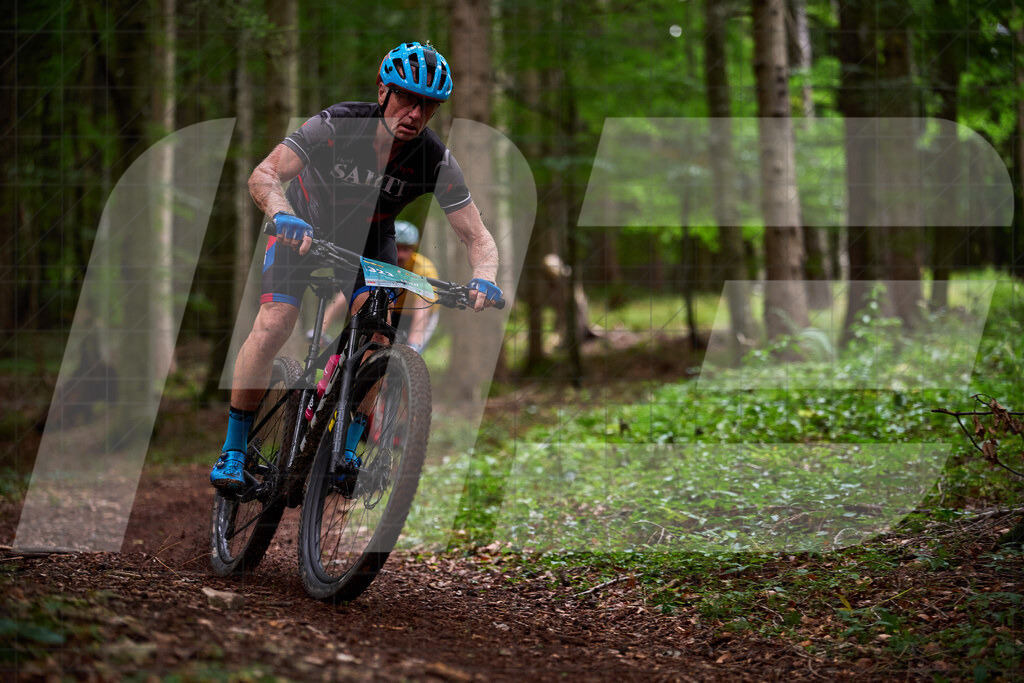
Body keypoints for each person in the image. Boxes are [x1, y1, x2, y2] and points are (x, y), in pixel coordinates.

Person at [211, 41, 502, 492]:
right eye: (407, 98)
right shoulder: (337, 123)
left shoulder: (434, 158)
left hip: (369, 243)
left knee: (379, 338)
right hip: (301, 228)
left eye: (428, 106)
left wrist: (484, 276)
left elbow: (477, 236)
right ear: (383, 91)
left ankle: (346, 452)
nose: (416, 114)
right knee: (275, 323)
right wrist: (282, 214)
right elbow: (264, 174)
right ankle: (233, 450)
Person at [311, 219, 440, 354]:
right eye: (397, 247)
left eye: (405, 249)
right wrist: (320, 331)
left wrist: (413, 345)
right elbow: (343, 297)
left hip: (415, 315)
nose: (400, 254)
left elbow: (422, 310)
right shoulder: (378, 264)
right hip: (389, 309)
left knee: (411, 352)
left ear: (413, 249)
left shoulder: (423, 268)